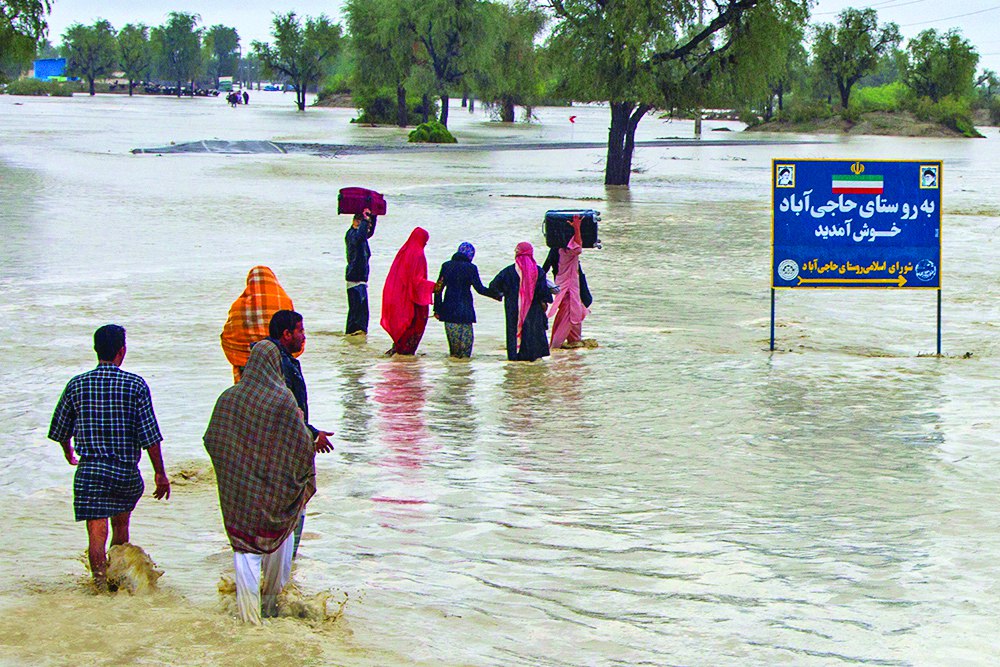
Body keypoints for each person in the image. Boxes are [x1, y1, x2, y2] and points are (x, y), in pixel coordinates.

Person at [204, 340, 320, 624]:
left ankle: (249, 621)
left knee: (245, 553)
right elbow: (302, 444)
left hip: (242, 493)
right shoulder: (283, 401)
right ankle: (275, 611)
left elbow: (213, 439)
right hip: (277, 493)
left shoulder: (228, 399)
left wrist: (234, 470)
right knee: (279, 549)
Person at [47, 324, 171, 591]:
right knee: (121, 526)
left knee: (96, 532)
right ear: (121, 351)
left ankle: (100, 585)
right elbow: (150, 436)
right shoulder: (135, 385)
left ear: (96, 350)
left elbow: (59, 430)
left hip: (90, 470)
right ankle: (117, 579)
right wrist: (160, 473)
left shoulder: (76, 384)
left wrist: (68, 451)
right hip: (125, 472)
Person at [267, 310, 334, 557]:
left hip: (274, 447)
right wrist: (312, 435)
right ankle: (287, 562)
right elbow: (286, 411)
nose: (304, 336)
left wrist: (312, 431)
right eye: (300, 331)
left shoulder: (271, 359)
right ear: (286, 334)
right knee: (293, 505)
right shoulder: (282, 364)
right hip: (285, 449)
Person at [220, 266, 297, 383]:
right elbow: (293, 334)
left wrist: (245, 352)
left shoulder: (238, 306)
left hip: (247, 368)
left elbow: (228, 337)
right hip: (279, 366)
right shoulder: (284, 302)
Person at [433, 241, 499, 358]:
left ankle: (454, 374)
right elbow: (480, 289)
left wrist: (437, 310)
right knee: (465, 353)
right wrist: (496, 295)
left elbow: (438, 289)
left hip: (449, 311)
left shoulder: (446, 266)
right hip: (465, 312)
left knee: (454, 352)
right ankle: (464, 374)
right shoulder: (471, 268)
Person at [488, 242, 553, 362]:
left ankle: (515, 359)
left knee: (514, 333)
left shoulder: (508, 271)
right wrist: (544, 302)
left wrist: (501, 295)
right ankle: (531, 361)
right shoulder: (538, 272)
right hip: (534, 310)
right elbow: (544, 293)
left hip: (513, 309)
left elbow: (493, 286)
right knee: (532, 335)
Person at [381, 227, 436, 356]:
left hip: (399, 296)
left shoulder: (404, 251)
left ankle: (399, 349)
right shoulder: (418, 254)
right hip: (412, 300)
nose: (426, 243)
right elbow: (416, 282)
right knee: (413, 326)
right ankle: (404, 354)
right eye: (425, 240)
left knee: (403, 326)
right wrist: (434, 286)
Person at [543, 215, 590, 349]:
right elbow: (578, 247)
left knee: (569, 316)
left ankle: (572, 346)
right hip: (569, 290)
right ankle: (555, 348)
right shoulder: (568, 253)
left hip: (561, 289)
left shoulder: (555, 250)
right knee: (569, 317)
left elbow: (543, 270)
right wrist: (577, 228)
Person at [345, 208, 377, 335]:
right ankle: (353, 335)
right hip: (355, 278)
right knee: (357, 315)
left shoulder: (360, 237)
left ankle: (355, 336)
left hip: (360, 279)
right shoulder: (352, 235)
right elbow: (362, 235)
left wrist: (373, 217)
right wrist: (365, 219)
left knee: (361, 314)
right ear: (356, 221)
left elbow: (367, 233)